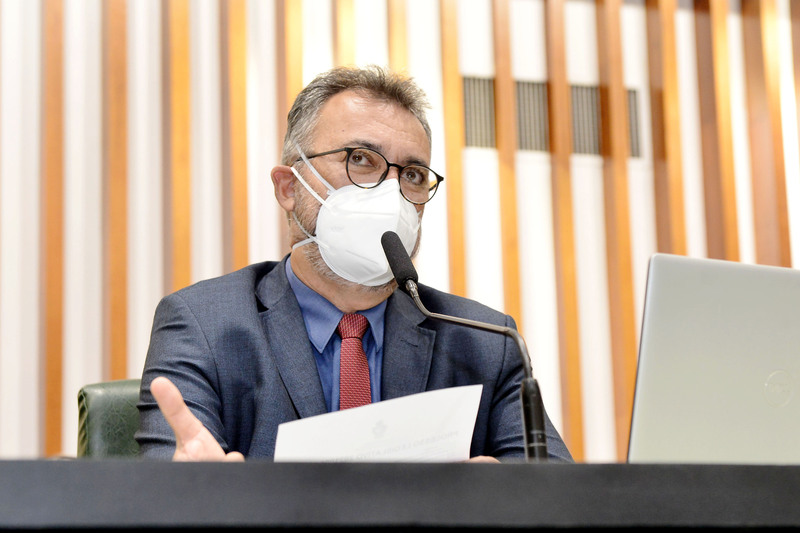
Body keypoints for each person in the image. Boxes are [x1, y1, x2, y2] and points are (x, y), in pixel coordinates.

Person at [135, 64, 573, 463]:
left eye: (412, 174)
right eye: (360, 159)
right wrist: (196, 496)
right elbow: (165, 491)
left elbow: (559, 500)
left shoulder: (486, 342)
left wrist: (500, 501)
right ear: (289, 187)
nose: (391, 193)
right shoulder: (204, 325)